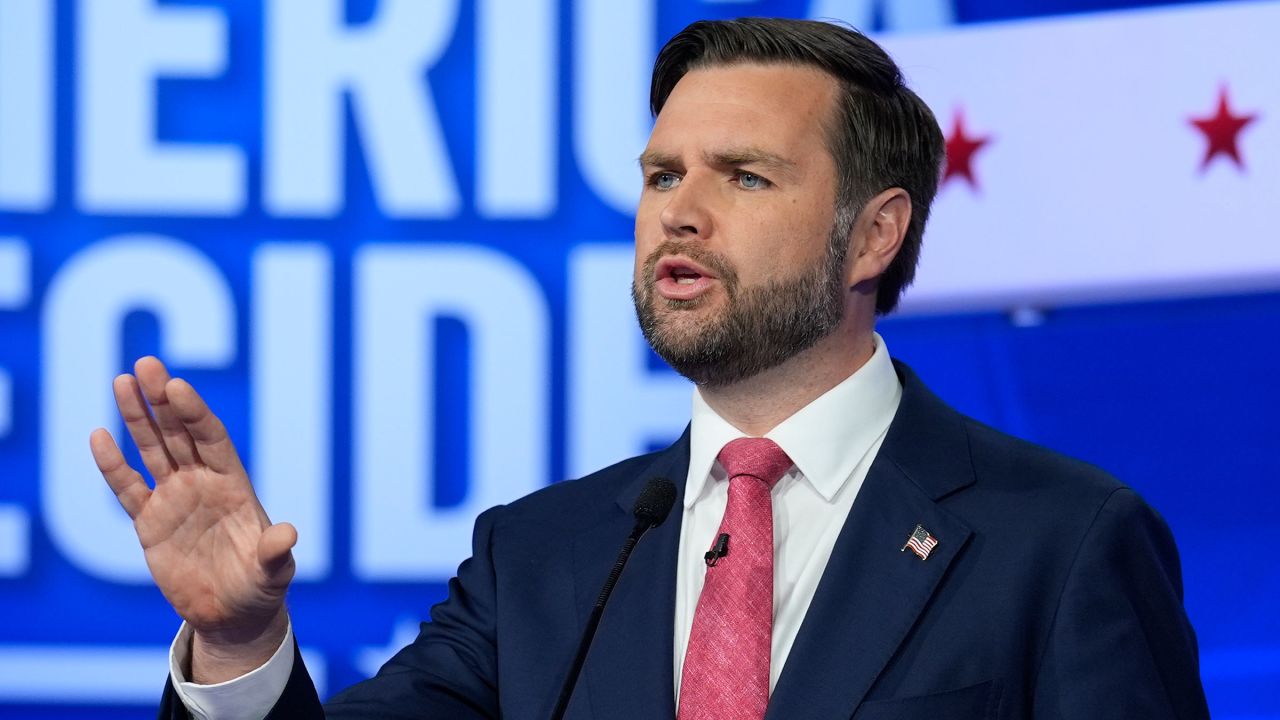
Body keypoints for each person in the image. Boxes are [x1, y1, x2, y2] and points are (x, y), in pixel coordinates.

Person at [91, 17, 1209, 720]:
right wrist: (240, 645)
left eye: (745, 177)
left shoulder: (1058, 541)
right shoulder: (542, 557)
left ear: (873, 235)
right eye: (660, 174)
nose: (678, 212)